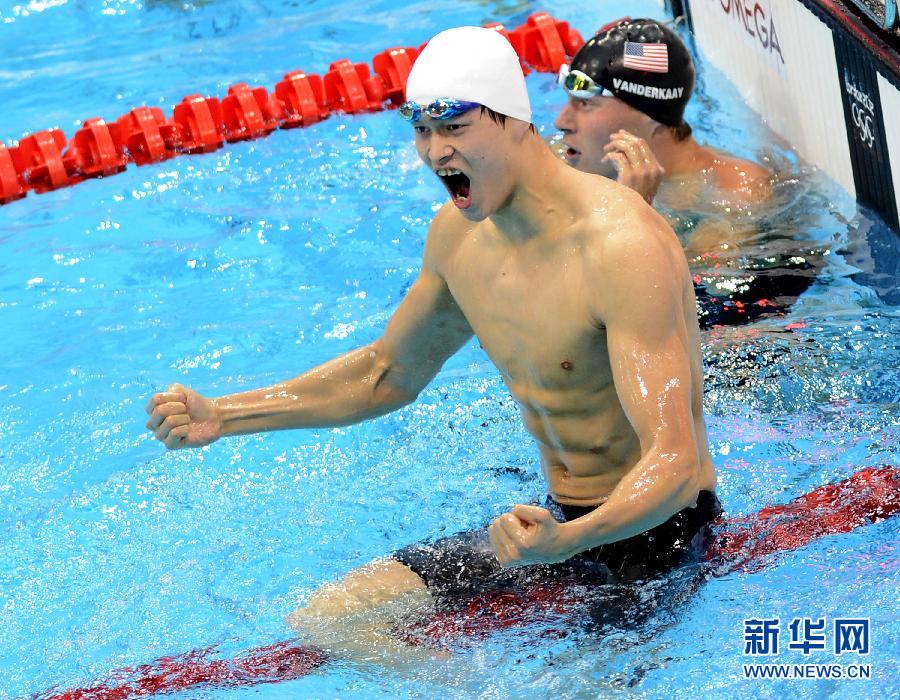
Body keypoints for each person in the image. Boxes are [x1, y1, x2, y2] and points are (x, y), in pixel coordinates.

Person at [145, 26, 719, 658]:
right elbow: (386, 373)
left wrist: (570, 540)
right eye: (420, 129)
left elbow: (676, 463)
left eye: (452, 125)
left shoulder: (621, 245)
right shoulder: (459, 237)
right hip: (551, 525)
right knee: (331, 619)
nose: (433, 151)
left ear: (514, 122)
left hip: (659, 534)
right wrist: (224, 415)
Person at [555, 18, 820, 329]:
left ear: (648, 115)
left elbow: (653, 305)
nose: (562, 121)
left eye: (586, 104)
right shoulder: (579, 160)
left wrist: (631, 211)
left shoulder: (736, 195)